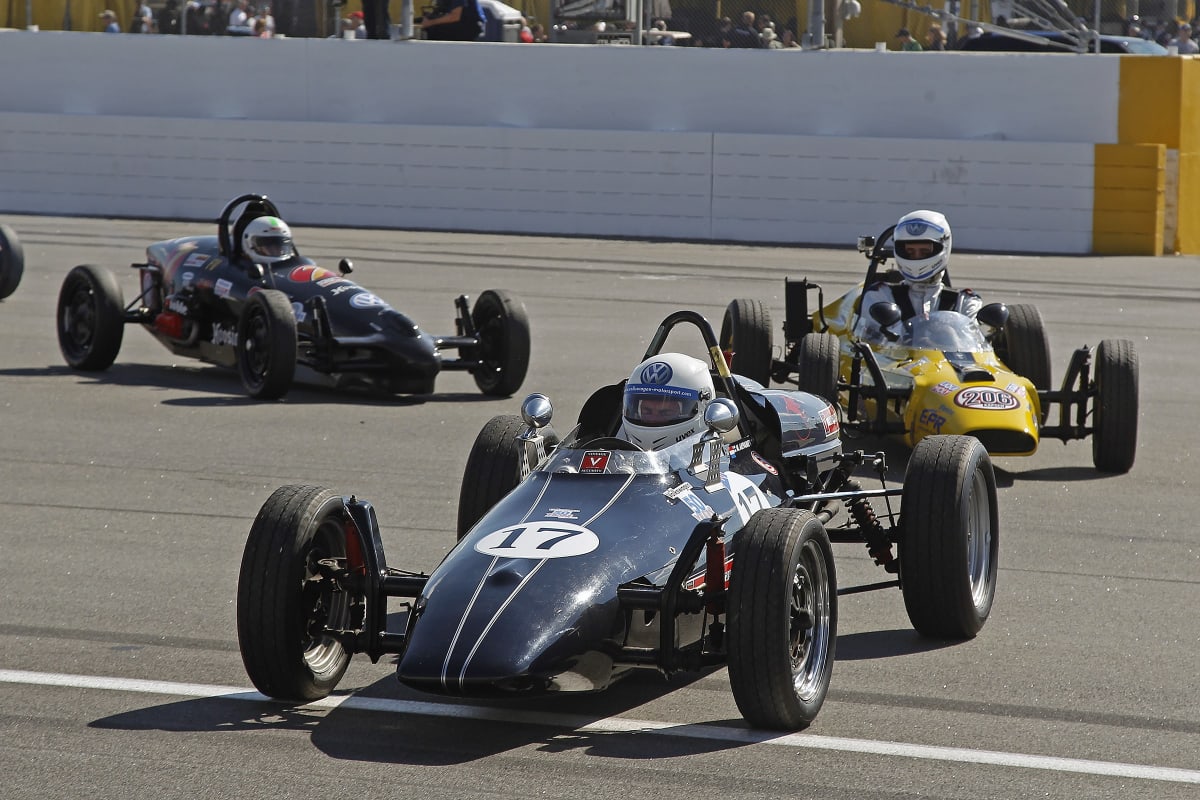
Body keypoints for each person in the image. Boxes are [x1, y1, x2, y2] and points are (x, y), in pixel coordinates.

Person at [855, 210, 981, 339]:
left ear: (943, 247)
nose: (916, 256)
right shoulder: (879, 296)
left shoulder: (964, 302)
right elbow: (875, 344)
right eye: (910, 251)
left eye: (924, 251)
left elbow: (973, 347)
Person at [618, 353, 715, 450]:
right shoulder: (615, 444)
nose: (653, 419)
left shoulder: (722, 459)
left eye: (665, 412)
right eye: (646, 411)